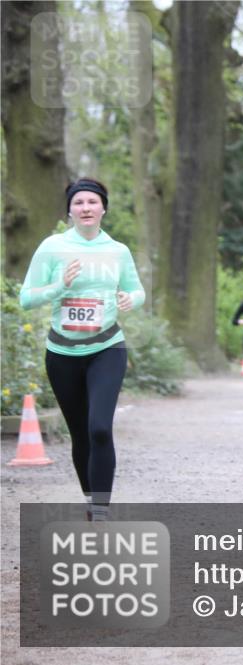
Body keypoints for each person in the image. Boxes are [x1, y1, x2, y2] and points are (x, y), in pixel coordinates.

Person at [19, 178, 145, 521]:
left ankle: (101, 510)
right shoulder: (52, 247)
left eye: (92, 202)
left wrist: (127, 299)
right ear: (70, 210)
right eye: (79, 203)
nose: (86, 208)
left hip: (107, 348)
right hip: (61, 354)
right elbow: (26, 297)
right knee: (80, 433)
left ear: (103, 208)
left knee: (100, 428)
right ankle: (91, 499)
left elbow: (137, 291)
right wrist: (59, 286)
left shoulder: (118, 251)